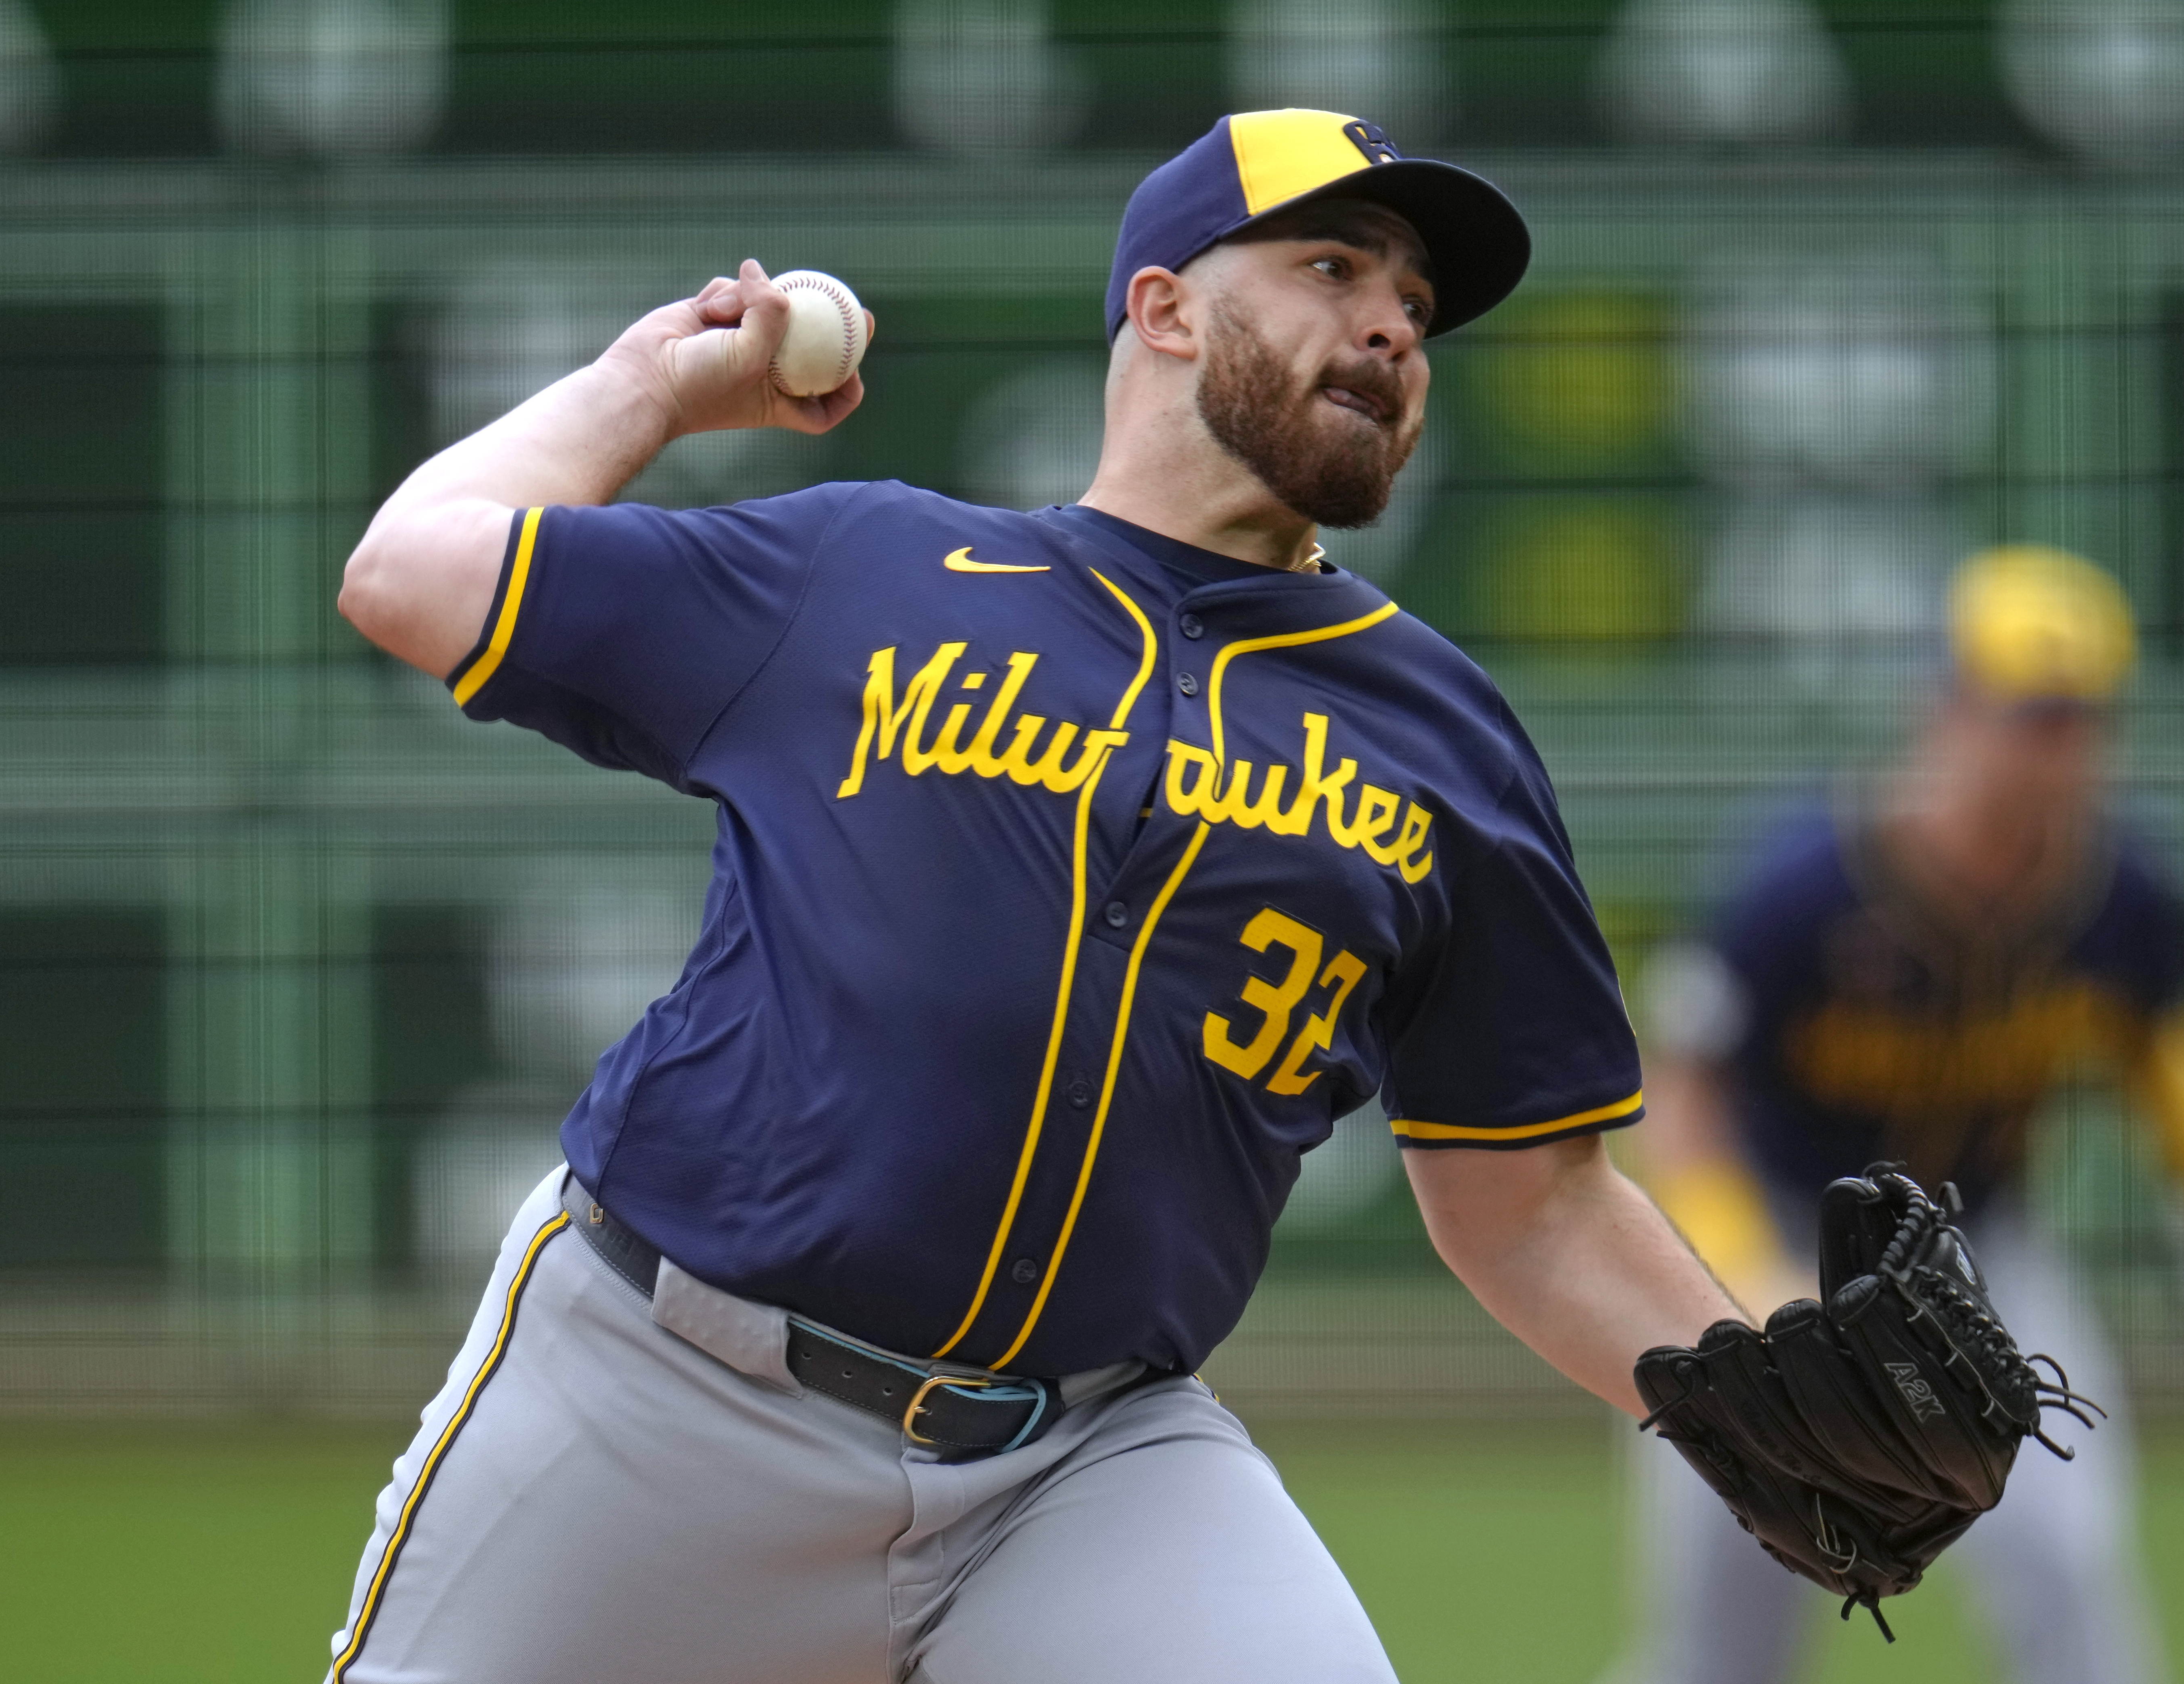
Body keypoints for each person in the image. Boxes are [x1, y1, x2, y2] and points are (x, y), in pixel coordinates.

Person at [325, 109, 1744, 1684]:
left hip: (1084, 1462)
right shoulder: (868, 573)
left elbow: (1532, 1202)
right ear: (1164, 305)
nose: (1392, 325)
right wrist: (653, 388)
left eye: (1415, 301)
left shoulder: (1440, 735)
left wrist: (1745, 1401)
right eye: (1333, 264)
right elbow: (412, 569)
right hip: (664, 1394)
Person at [1611, 545, 2184, 1684]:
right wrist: (1744, 1285)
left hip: (1977, 1261)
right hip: (1771, 1246)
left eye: (2080, 718)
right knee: (1727, 1613)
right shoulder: (1802, 883)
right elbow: (1682, 1097)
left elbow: (2168, 1059)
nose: (2054, 750)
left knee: (2068, 1559)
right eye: (2027, 714)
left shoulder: (2122, 891)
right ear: (1947, 707)